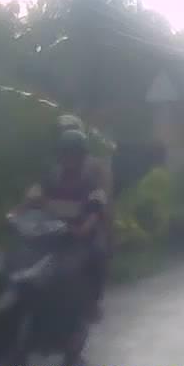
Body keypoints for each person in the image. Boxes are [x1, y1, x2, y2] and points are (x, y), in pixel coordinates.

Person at [22, 119, 111, 322]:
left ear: (82, 157)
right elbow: (31, 198)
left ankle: (91, 304)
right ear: (60, 155)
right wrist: (15, 215)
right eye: (65, 153)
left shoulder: (90, 181)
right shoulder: (50, 178)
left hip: (78, 239)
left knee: (98, 254)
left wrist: (84, 228)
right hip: (49, 236)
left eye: (74, 154)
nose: (69, 159)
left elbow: (96, 210)